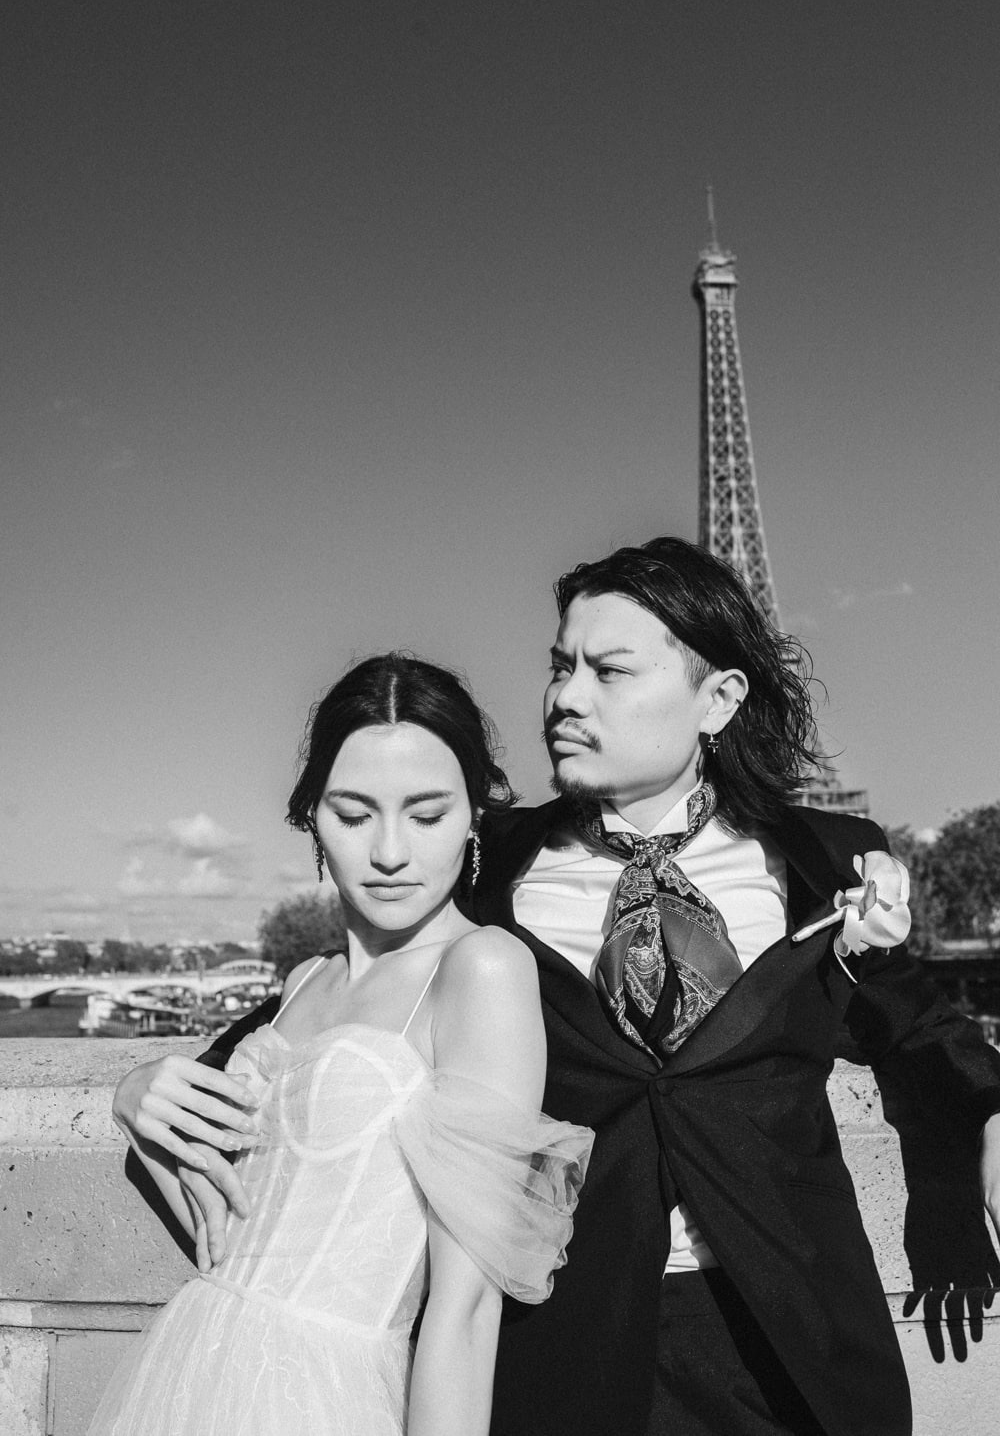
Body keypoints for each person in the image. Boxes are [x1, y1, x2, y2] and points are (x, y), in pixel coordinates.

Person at [117, 539, 1000, 1436]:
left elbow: (917, 1024)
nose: (565, 697)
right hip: (568, 1349)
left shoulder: (826, 859)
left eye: (608, 671)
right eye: (560, 665)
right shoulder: (486, 861)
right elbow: (351, 992)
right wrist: (157, 1080)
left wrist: (992, 1117)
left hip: (788, 1335)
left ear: (718, 698)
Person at [91, 654, 592, 1436]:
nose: (390, 851)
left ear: (473, 816)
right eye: (354, 814)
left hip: (330, 1399)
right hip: (191, 1371)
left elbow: (466, 1308)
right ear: (312, 819)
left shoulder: (482, 969)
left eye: (426, 815)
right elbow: (228, 1227)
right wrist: (131, 1099)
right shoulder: (304, 982)